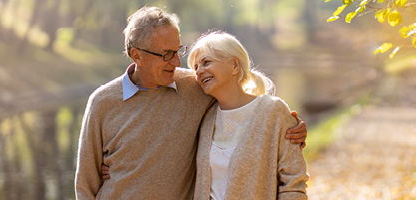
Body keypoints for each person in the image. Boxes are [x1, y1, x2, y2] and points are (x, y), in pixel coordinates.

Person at [75, 6, 307, 199]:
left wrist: (290, 128)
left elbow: (241, 102)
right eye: (166, 54)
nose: (177, 62)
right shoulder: (103, 102)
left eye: (178, 51)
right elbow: (86, 185)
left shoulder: (195, 87)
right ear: (137, 56)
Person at [189, 31, 309, 199]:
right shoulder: (204, 118)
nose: (199, 72)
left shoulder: (273, 110)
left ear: (235, 65)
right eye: (195, 67)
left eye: (206, 62)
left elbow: (293, 183)